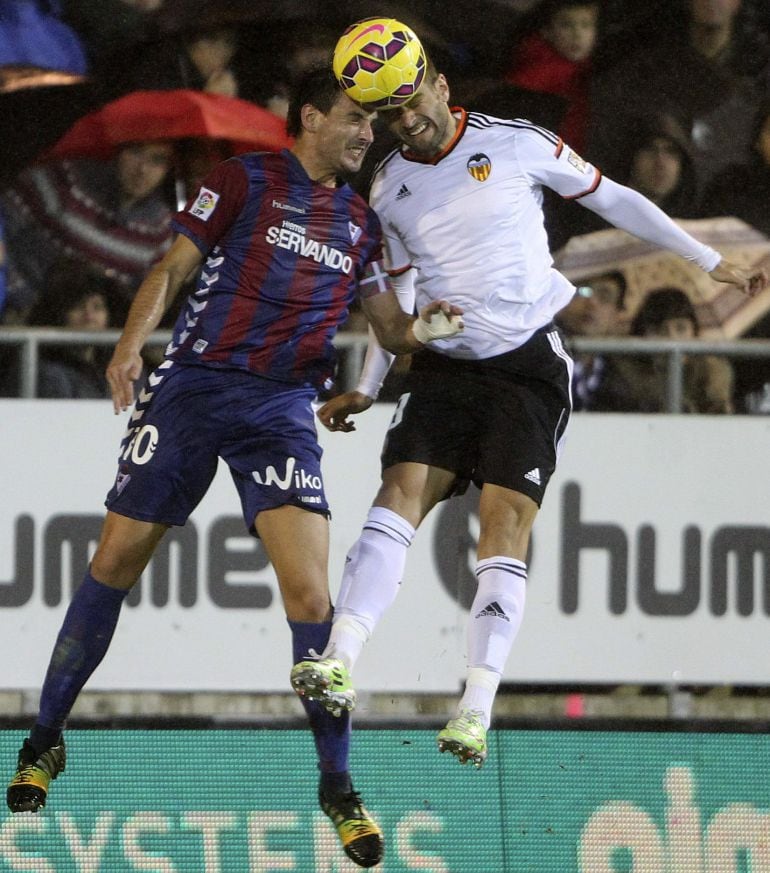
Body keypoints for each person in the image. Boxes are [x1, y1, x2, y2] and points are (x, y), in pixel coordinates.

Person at [4, 67, 463, 871]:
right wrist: (127, 343)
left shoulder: (360, 220)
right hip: (192, 388)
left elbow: (388, 328)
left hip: (280, 408)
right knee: (113, 562)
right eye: (356, 119)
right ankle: (43, 740)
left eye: (373, 124)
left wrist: (428, 328)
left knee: (313, 597)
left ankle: (338, 784)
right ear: (311, 118)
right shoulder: (244, 179)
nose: (368, 133)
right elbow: (172, 268)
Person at [289, 50, 767, 770]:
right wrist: (370, 379)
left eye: (415, 100)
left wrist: (706, 259)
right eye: (390, 114)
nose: (408, 120)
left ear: (441, 86)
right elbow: (394, 298)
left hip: (528, 367)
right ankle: (339, 657)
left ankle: (476, 706)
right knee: (397, 495)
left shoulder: (515, 141)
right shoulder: (387, 188)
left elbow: (612, 198)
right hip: (449, 365)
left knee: (502, 526)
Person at [0, 140, 175, 324]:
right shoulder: (64, 180)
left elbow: (147, 301)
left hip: (94, 339)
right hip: (24, 322)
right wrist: (19, 295)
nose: (142, 169)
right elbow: (4, 223)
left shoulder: (160, 228)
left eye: (158, 160)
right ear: (118, 150)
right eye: (135, 151)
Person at [589, 286, 735, 413]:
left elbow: (720, 419)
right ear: (643, 334)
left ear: (694, 331)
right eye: (660, 330)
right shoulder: (623, 372)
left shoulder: (711, 370)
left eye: (681, 328)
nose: (671, 338)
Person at [554, 270, 627, 410]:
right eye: (582, 291)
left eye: (605, 297)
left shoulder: (627, 381)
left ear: (618, 315)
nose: (592, 302)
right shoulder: (537, 364)